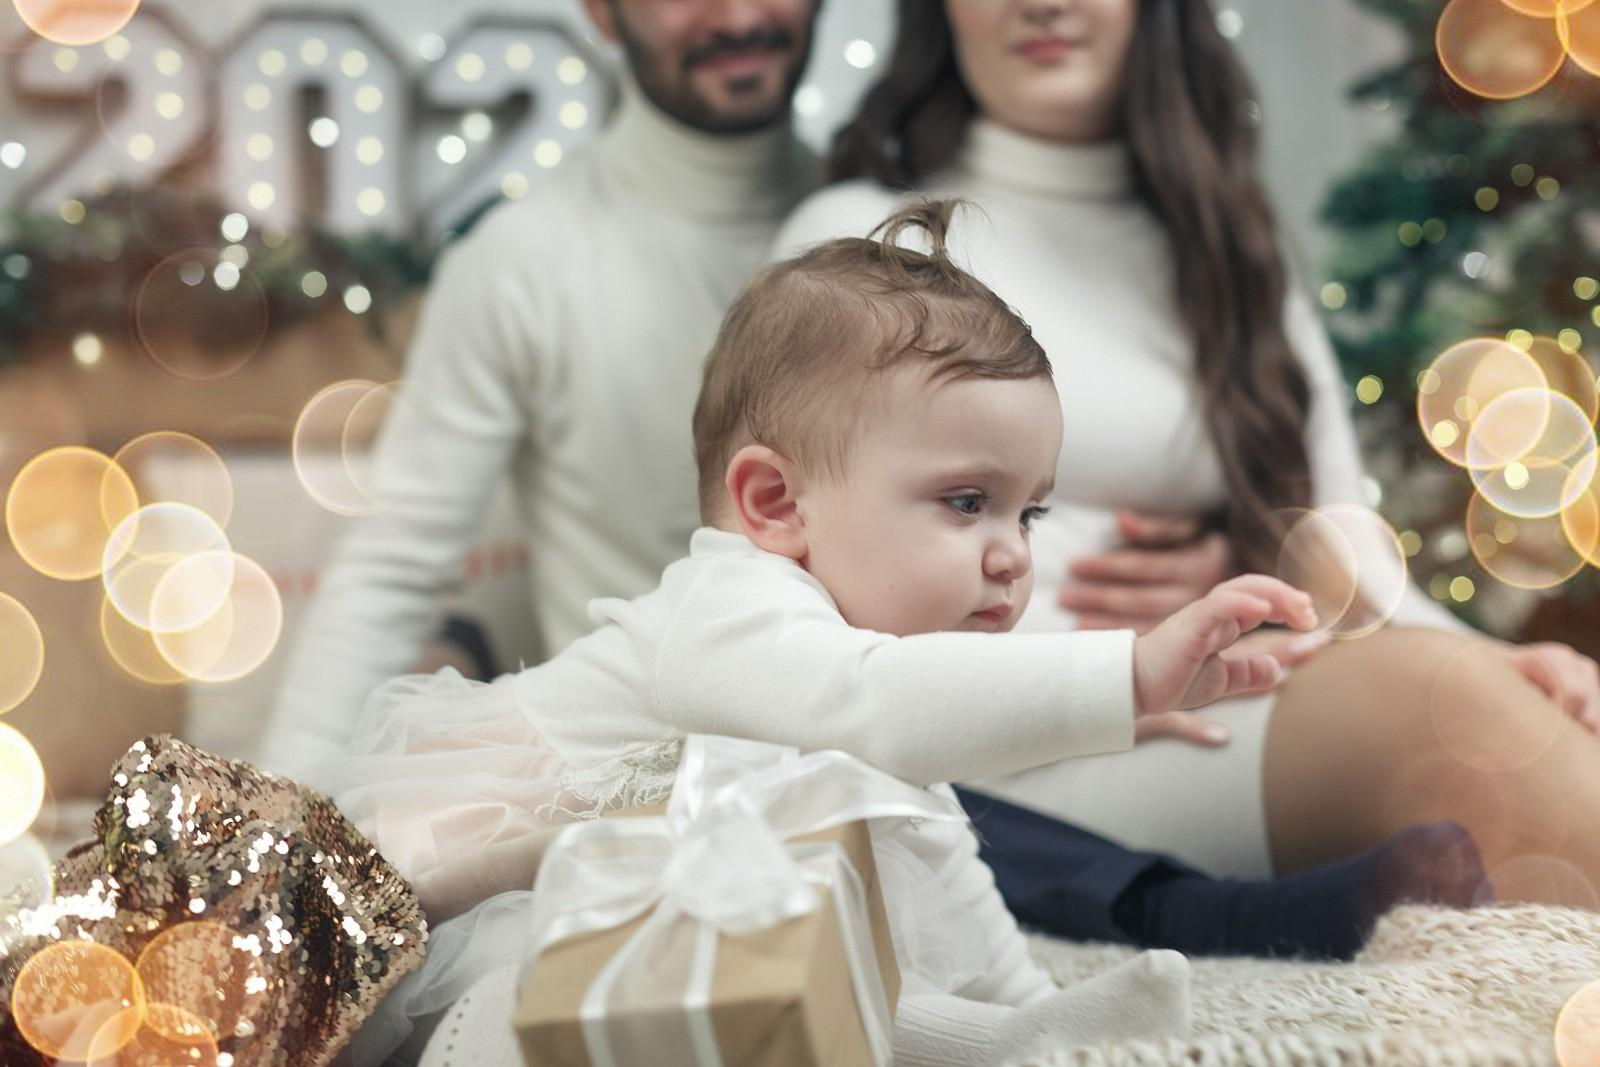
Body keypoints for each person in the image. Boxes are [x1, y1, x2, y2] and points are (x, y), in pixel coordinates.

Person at [313, 200, 1337, 1066]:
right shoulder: (738, 613)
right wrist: (1134, 672)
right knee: (548, 987)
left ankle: (1009, 1032)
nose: (1012, 553)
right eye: (967, 500)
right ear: (773, 502)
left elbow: (944, 867)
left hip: (642, 873)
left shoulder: (862, 706)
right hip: (458, 883)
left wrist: (1022, 992)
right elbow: (878, 700)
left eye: (1027, 512)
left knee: (827, 906)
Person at [774, 0, 1600, 898]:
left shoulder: (1228, 247)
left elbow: (1336, 535)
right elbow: (806, 583)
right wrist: (1104, 681)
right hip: (1002, 763)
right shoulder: (864, 239)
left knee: (1527, 705)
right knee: (1453, 721)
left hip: (1217, 691)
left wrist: (1490, 657)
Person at [262, 0, 824, 774]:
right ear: (600, 12)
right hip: (640, 801)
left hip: (881, 779)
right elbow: (392, 569)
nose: (736, 16)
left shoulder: (890, 226)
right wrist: (274, 822)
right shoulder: (523, 258)